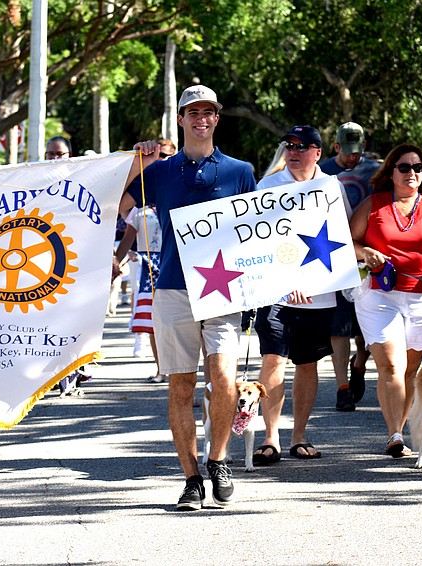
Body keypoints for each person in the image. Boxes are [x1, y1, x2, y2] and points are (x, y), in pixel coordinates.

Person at [119, 85, 257, 510]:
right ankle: (191, 479)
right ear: (180, 119)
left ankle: (218, 460)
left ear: (217, 118)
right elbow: (118, 206)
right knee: (181, 386)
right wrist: (138, 162)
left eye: (208, 112)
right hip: (174, 289)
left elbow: (258, 231)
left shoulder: (240, 171)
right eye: (192, 112)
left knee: (222, 380)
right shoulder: (159, 171)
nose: (201, 119)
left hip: (224, 290)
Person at [349, 144, 422, 457]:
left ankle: (401, 428)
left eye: (417, 167)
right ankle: (395, 434)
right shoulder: (374, 205)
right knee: (391, 365)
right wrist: (365, 253)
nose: (411, 173)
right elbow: (347, 240)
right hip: (379, 295)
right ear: (391, 171)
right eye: (404, 167)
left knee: (411, 370)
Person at [250, 126, 351, 466]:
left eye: (302, 146)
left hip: (318, 295)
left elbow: (341, 237)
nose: (293, 152)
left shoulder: (332, 188)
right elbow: (254, 242)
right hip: (275, 293)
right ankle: (270, 438)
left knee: (307, 365)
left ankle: (299, 437)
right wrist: (284, 278)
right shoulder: (267, 186)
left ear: (318, 152)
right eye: (289, 146)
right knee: (273, 360)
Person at [320, 122, 381, 405]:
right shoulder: (321, 171)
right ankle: (343, 388)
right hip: (332, 255)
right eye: (347, 152)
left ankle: (359, 363)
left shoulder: (375, 171)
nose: (352, 157)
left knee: (366, 328)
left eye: (357, 152)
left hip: (368, 253)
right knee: (339, 326)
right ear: (336, 147)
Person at [114, 139, 176, 381]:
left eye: (168, 155)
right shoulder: (140, 209)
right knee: (154, 321)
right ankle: (161, 369)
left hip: (175, 264)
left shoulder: (177, 198)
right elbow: (129, 237)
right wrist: (114, 263)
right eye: (159, 156)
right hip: (149, 267)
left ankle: (184, 375)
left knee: (179, 324)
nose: (162, 160)